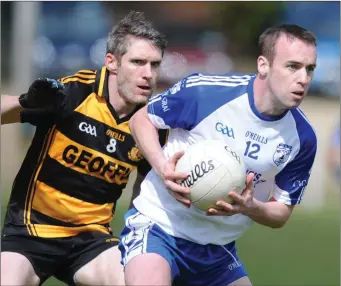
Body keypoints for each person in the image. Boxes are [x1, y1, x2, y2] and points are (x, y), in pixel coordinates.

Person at [119, 24, 318, 286]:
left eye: (309, 69)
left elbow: (281, 213)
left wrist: (251, 207)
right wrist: (162, 166)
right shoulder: (206, 92)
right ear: (263, 65)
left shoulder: (303, 138)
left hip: (217, 251)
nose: (303, 78)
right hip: (159, 227)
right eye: (292, 66)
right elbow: (141, 120)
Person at [1, 11, 167, 286]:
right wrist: (24, 101)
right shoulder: (74, 93)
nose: (148, 74)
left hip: (92, 241)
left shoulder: (152, 124)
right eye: (138, 62)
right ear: (111, 62)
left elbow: (144, 191)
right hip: (30, 233)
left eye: (155, 64)